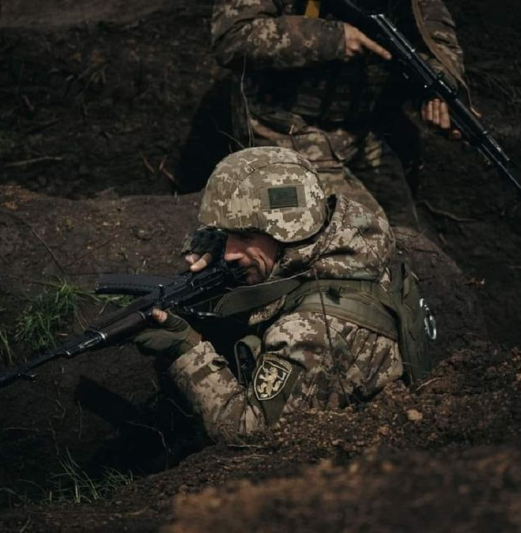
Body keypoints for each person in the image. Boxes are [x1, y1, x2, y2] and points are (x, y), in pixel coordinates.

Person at [133, 147, 430, 440]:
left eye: (245, 235)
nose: (231, 252)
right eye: (227, 235)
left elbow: (249, 434)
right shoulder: (348, 243)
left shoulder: (311, 330)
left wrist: (187, 350)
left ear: (289, 231)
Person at [210, 0, 468, 226]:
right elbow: (232, 37)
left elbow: (436, 35)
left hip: (360, 132)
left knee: (407, 235)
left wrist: (439, 86)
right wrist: (331, 39)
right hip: (281, 125)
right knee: (362, 239)